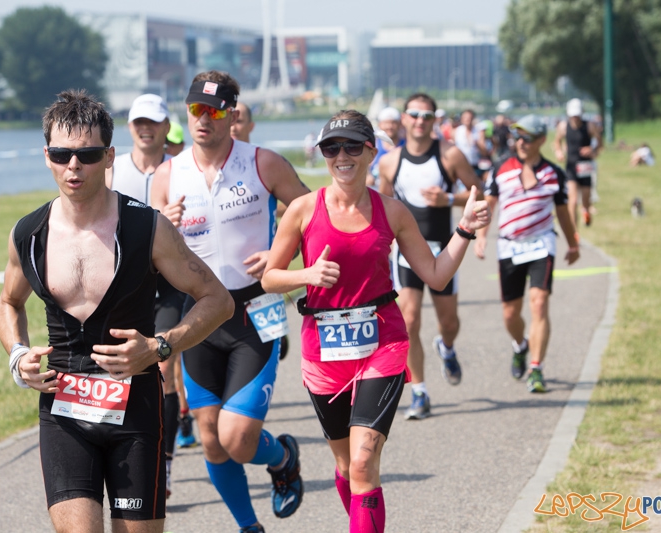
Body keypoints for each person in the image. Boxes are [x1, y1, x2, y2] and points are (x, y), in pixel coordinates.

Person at [0, 89, 234, 533]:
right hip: (64, 409)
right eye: (61, 154)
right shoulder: (29, 233)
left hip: (135, 408)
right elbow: (9, 303)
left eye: (86, 154)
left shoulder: (148, 227)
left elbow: (218, 300)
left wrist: (161, 345)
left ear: (109, 157)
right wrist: (17, 354)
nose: (73, 166)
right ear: (46, 156)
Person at [260, 110, 489, 532]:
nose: (341, 156)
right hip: (323, 352)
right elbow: (270, 277)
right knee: (347, 466)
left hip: (382, 344)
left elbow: (435, 274)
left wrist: (466, 230)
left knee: (364, 462)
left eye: (351, 146)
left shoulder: (393, 211)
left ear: (371, 150)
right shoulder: (302, 210)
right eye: (331, 148)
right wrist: (305, 275)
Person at [151, 70, 310, 533]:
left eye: (214, 111)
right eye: (195, 109)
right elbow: (150, 253)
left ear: (232, 114)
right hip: (198, 312)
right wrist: (162, 223)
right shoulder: (168, 174)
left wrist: (282, 253)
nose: (203, 119)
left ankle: (281, 456)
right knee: (210, 440)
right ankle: (248, 526)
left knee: (238, 438)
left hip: (254, 310)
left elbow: (313, 218)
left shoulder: (264, 164)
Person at [378, 93, 484, 420]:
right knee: (408, 320)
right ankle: (419, 392)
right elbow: (382, 206)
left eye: (427, 116)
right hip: (407, 252)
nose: (420, 121)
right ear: (405, 119)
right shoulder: (390, 161)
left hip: (443, 250)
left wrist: (449, 199)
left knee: (448, 323)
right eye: (414, 115)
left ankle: (447, 347)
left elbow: (478, 192)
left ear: (434, 119)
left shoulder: (450, 155)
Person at [105, 93, 192, 492]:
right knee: (125, 368)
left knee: (165, 365)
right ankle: (125, 452)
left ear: (164, 127)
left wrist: (174, 226)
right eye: (138, 122)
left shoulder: (182, 170)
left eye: (153, 122)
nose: (145, 128)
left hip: (169, 284)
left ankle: (166, 460)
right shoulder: (112, 168)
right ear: (129, 127)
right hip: (126, 285)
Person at [474, 115, 580, 393]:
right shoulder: (501, 169)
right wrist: (481, 237)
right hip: (509, 246)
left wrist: (573, 243)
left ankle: (536, 367)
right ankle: (520, 346)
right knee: (510, 314)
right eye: (517, 137)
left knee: (539, 303)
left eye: (527, 138)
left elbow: (563, 213)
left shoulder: (554, 173)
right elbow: (489, 206)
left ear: (541, 141)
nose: (520, 143)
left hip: (541, 244)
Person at [229, 100, 292, 361]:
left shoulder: (264, 161)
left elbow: (300, 209)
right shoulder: (203, 166)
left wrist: (277, 250)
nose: (233, 125)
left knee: (271, 353)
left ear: (251, 126)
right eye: (229, 118)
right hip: (222, 282)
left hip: (262, 283)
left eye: (239, 119)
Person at [553, 98, 603, 227]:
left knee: (586, 199)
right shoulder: (563, 126)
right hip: (571, 166)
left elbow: (599, 143)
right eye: (573, 115)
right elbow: (557, 141)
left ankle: (586, 211)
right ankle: (574, 232)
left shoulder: (589, 126)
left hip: (586, 166)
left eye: (577, 115)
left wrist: (592, 150)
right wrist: (558, 152)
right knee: (573, 200)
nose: (575, 118)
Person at [367, 106, 405, 188]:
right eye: (386, 123)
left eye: (393, 123)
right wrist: (367, 176)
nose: (389, 127)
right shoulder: (373, 144)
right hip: (376, 191)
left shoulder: (407, 146)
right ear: (380, 124)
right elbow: (364, 165)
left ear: (399, 124)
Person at [453, 109, 491, 180]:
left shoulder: (478, 131)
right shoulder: (456, 131)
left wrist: (477, 143)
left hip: (475, 164)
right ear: (461, 119)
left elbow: (484, 152)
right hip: (461, 165)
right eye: (465, 117)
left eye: (470, 118)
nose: (468, 120)